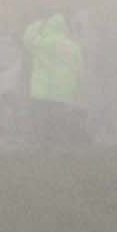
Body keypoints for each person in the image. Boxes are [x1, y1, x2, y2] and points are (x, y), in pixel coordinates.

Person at [23, 9, 85, 146]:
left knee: (42, 122)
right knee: (59, 121)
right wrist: (79, 87)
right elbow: (80, 69)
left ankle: (44, 146)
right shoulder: (73, 47)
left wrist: (39, 23)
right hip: (63, 91)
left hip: (41, 92)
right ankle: (59, 146)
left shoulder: (40, 44)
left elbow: (27, 38)